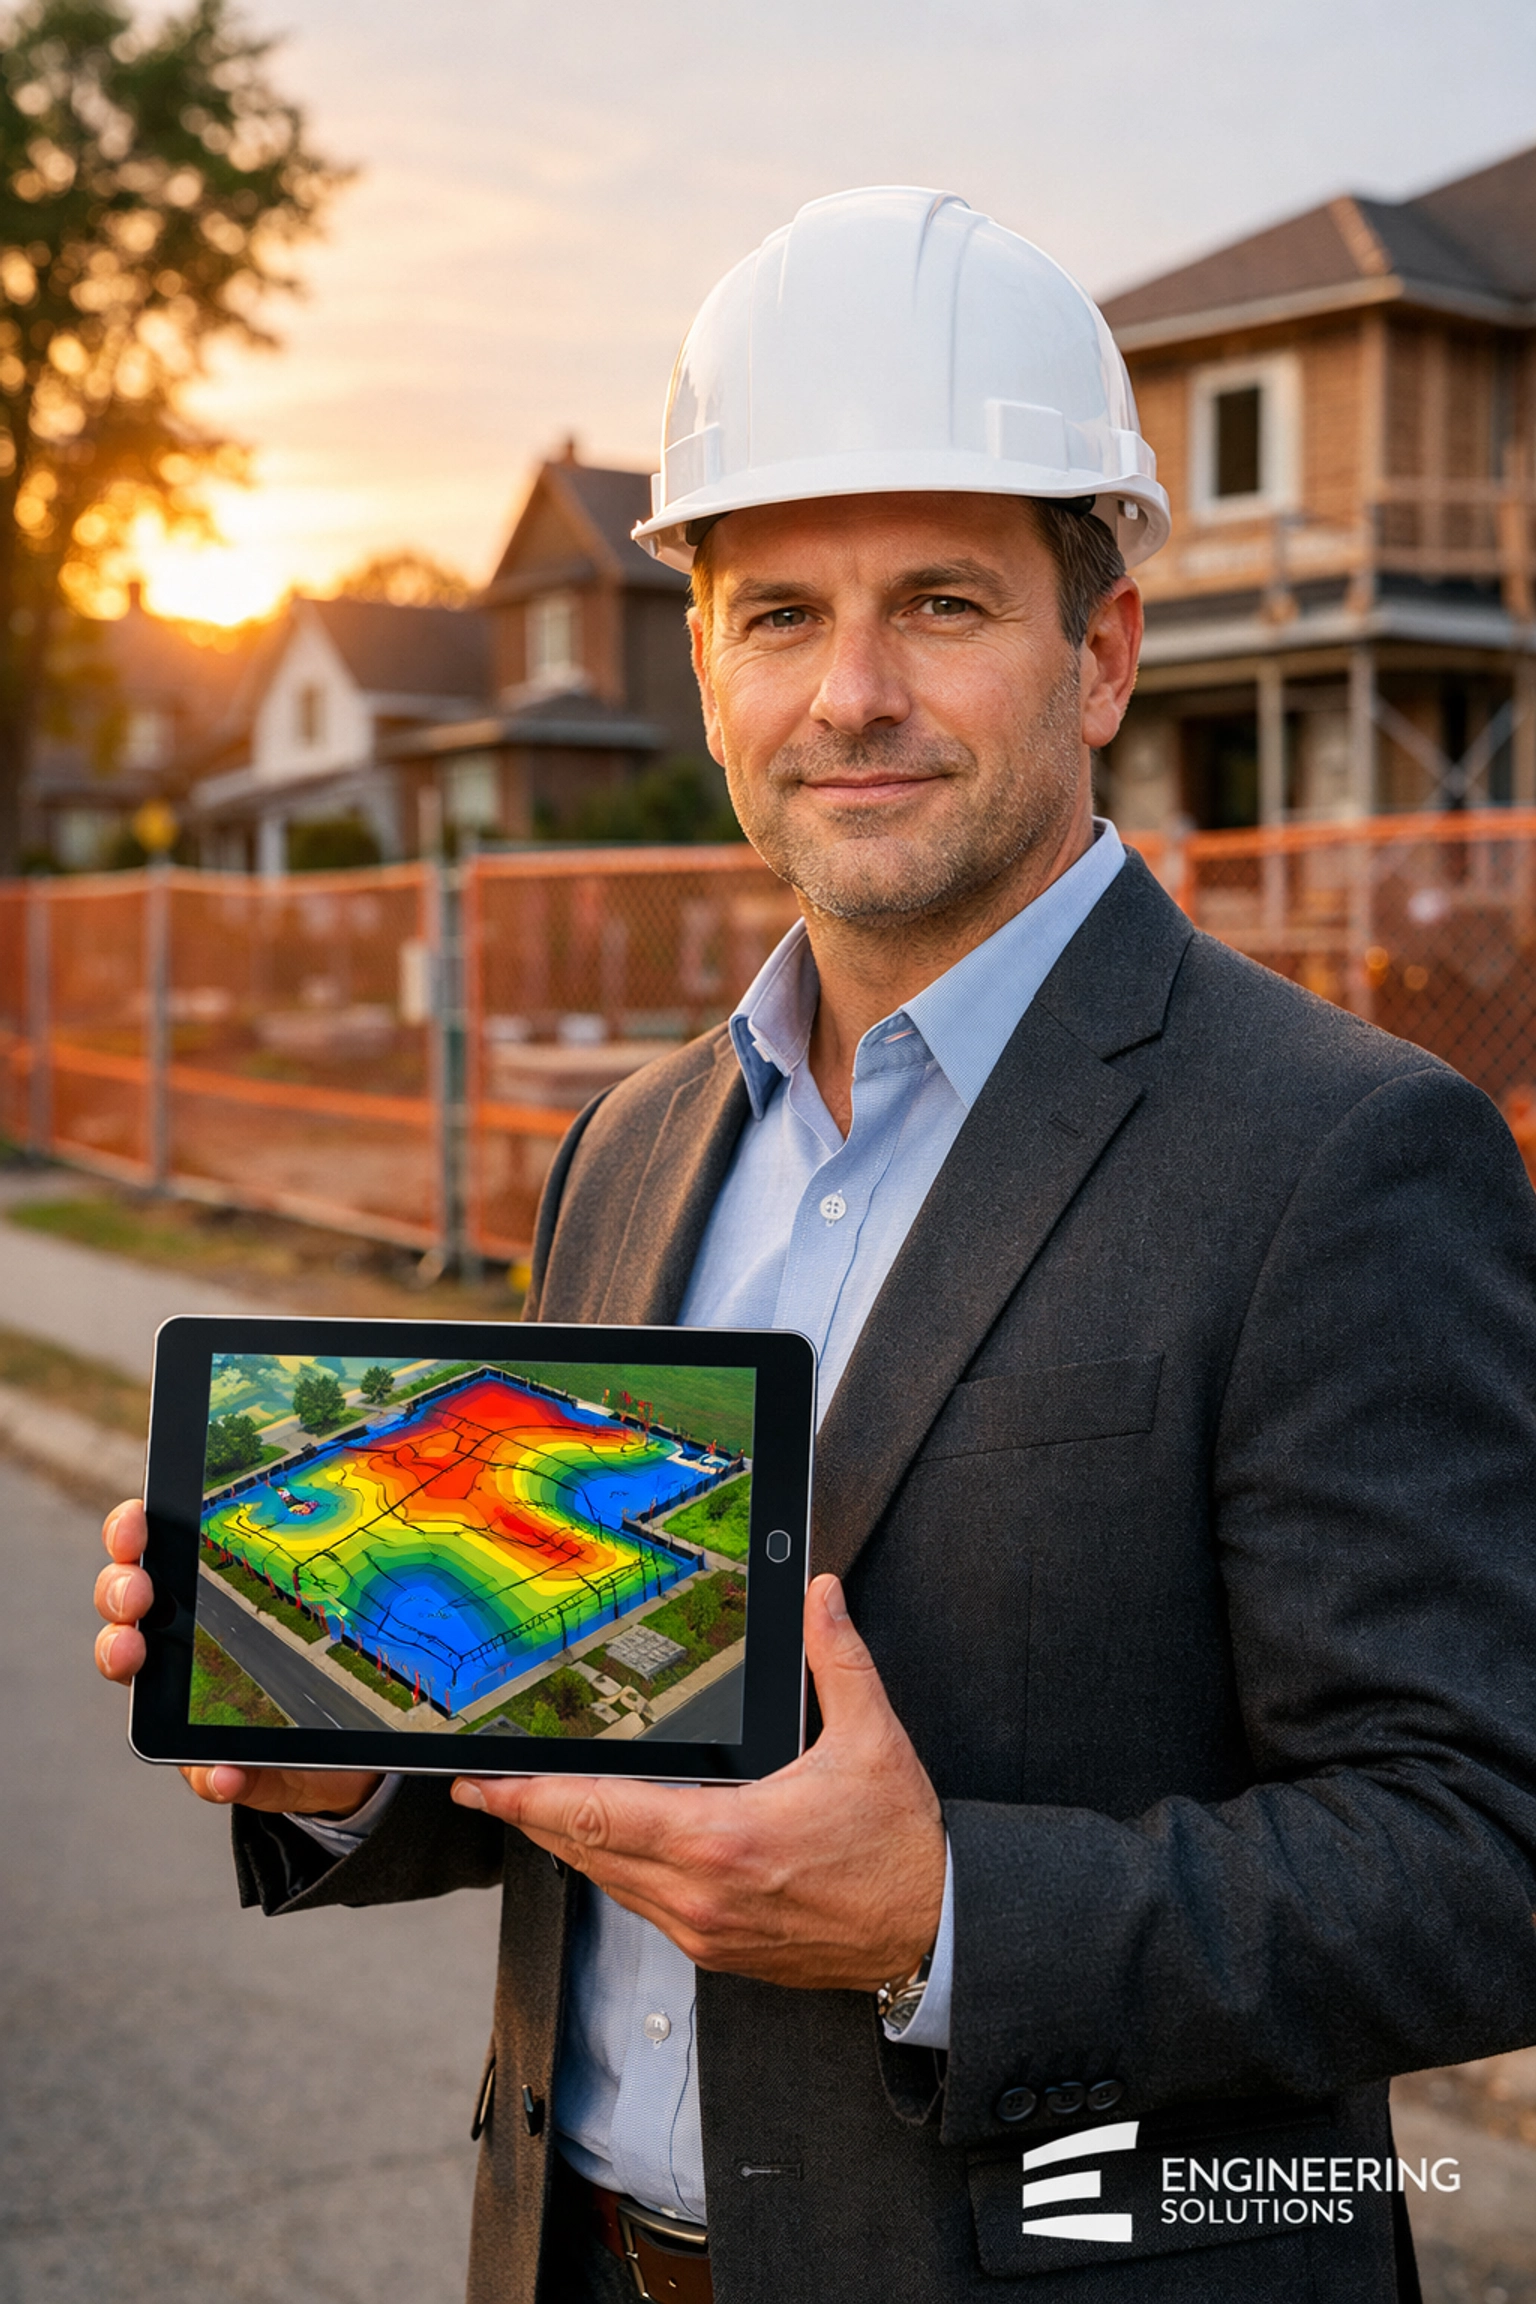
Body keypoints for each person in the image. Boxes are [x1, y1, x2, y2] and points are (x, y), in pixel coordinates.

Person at [95, 189, 1536, 2304]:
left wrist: (943, 1917)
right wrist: (349, 1754)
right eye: (778, 614)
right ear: (704, 673)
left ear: (1103, 652)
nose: (853, 694)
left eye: (942, 603)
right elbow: (598, 1700)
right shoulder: (630, 1150)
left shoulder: (1341, 1153)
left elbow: (1486, 1855)